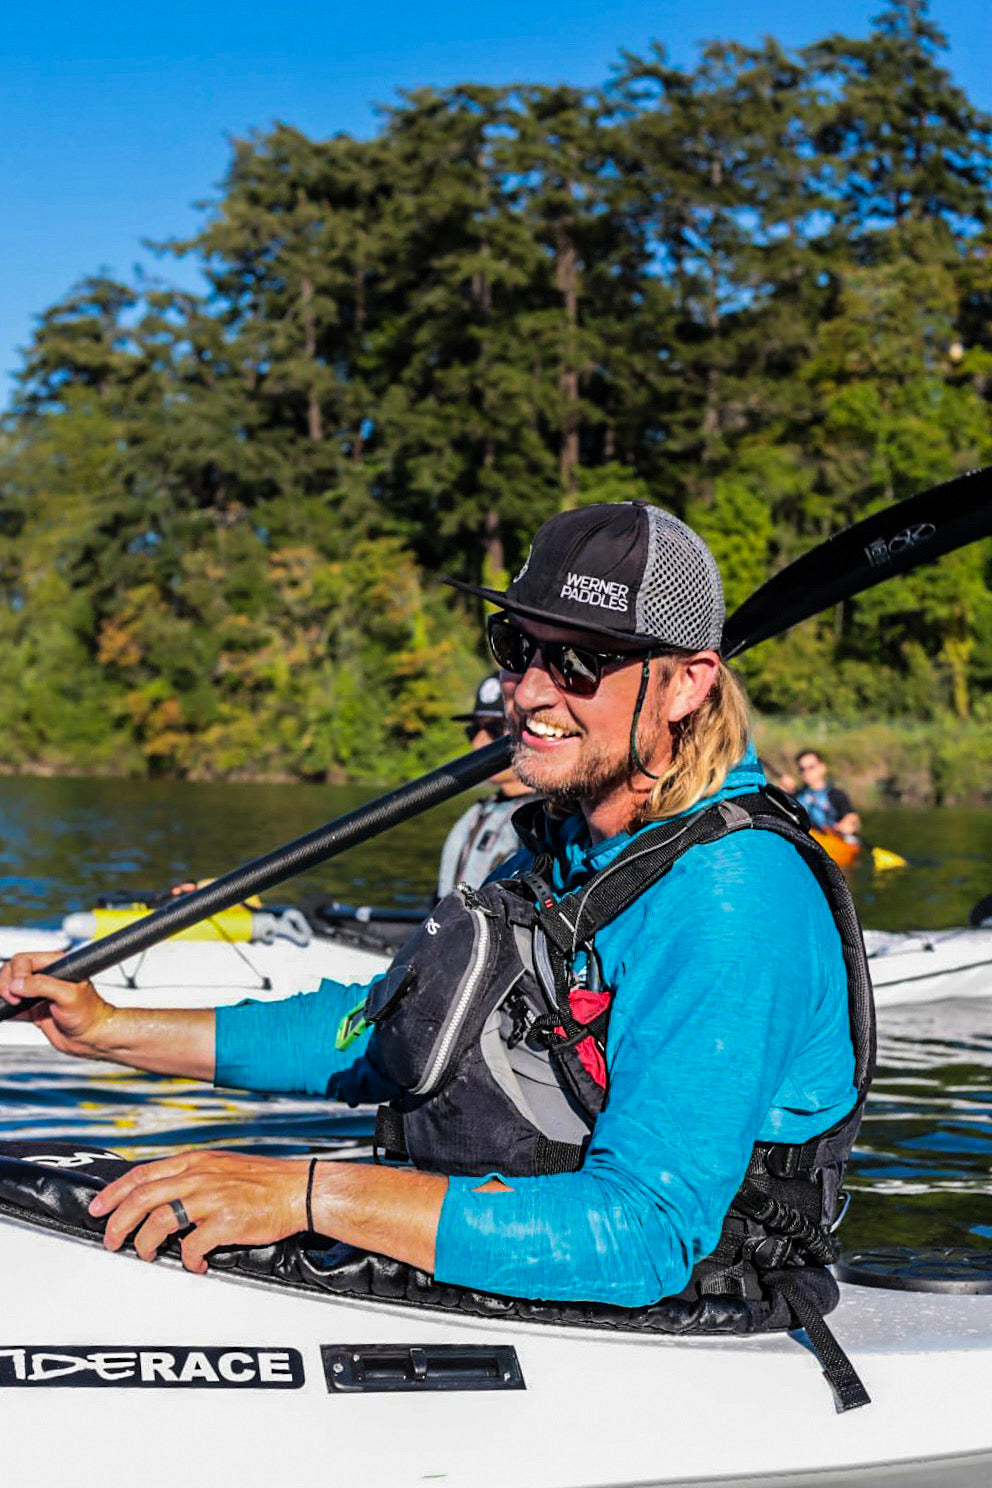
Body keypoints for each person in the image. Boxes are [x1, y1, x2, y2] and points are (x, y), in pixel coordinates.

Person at [0, 502, 870, 1354]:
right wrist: (110, 1030)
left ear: (685, 682)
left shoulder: (731, 898)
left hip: (693, 1310)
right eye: (517, 648)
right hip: (529, 1252)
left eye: (576, 663)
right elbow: (384, 1031)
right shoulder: (571, 846)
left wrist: (312, 1194)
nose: (528, 692)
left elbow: (641, 1233)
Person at [435, 674, 536, 898]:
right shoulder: (478, 812)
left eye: (494, 729)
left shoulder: (544, 822)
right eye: (474, 730)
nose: (478, 742)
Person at [792, 749, 862, 841]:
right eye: (802, 769)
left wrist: (848, 825)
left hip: (833, 843)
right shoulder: (794, 795)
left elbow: (853, 818)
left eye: (811, 767)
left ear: (822, 767)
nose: (806, 772)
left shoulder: (836, 794)